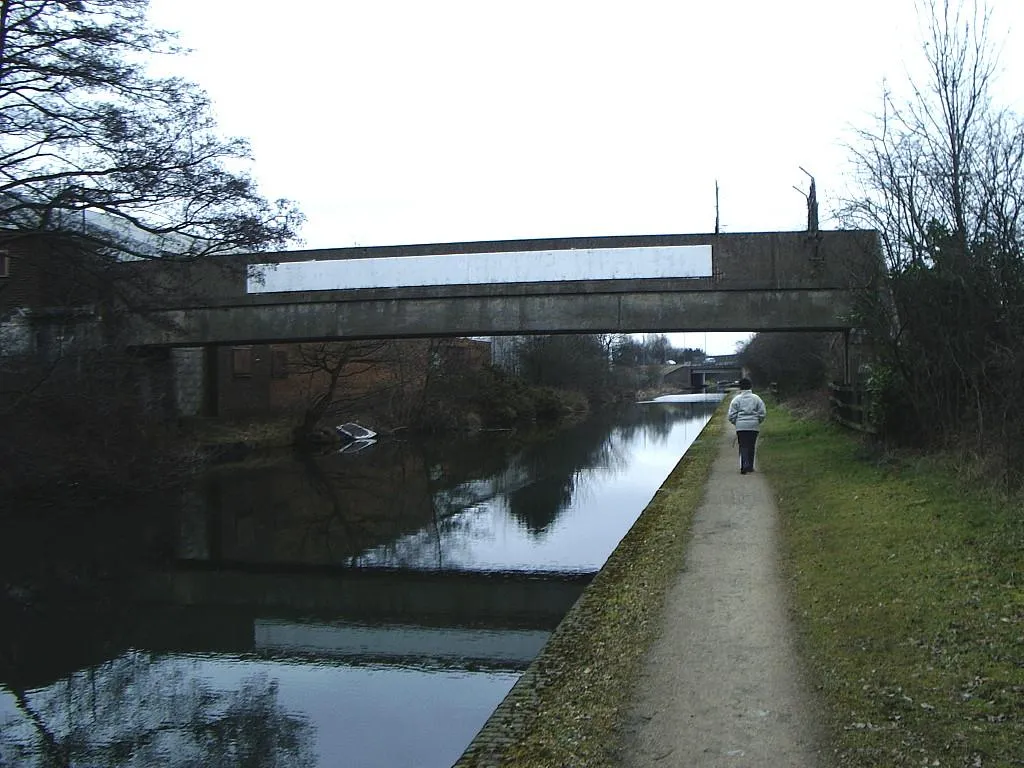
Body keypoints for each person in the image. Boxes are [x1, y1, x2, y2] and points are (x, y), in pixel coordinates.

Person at [727, 378, 766, 474]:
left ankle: (744, 465)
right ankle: (750, 466)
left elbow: (731, 415)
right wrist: (758, 421)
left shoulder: (736, 400)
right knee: (751, 445)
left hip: (741, 426)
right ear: (750, 386)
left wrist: (736, 422)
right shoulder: (756, 398)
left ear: (740, 387)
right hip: (753, 425)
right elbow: (762, 413)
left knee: (743, 445)